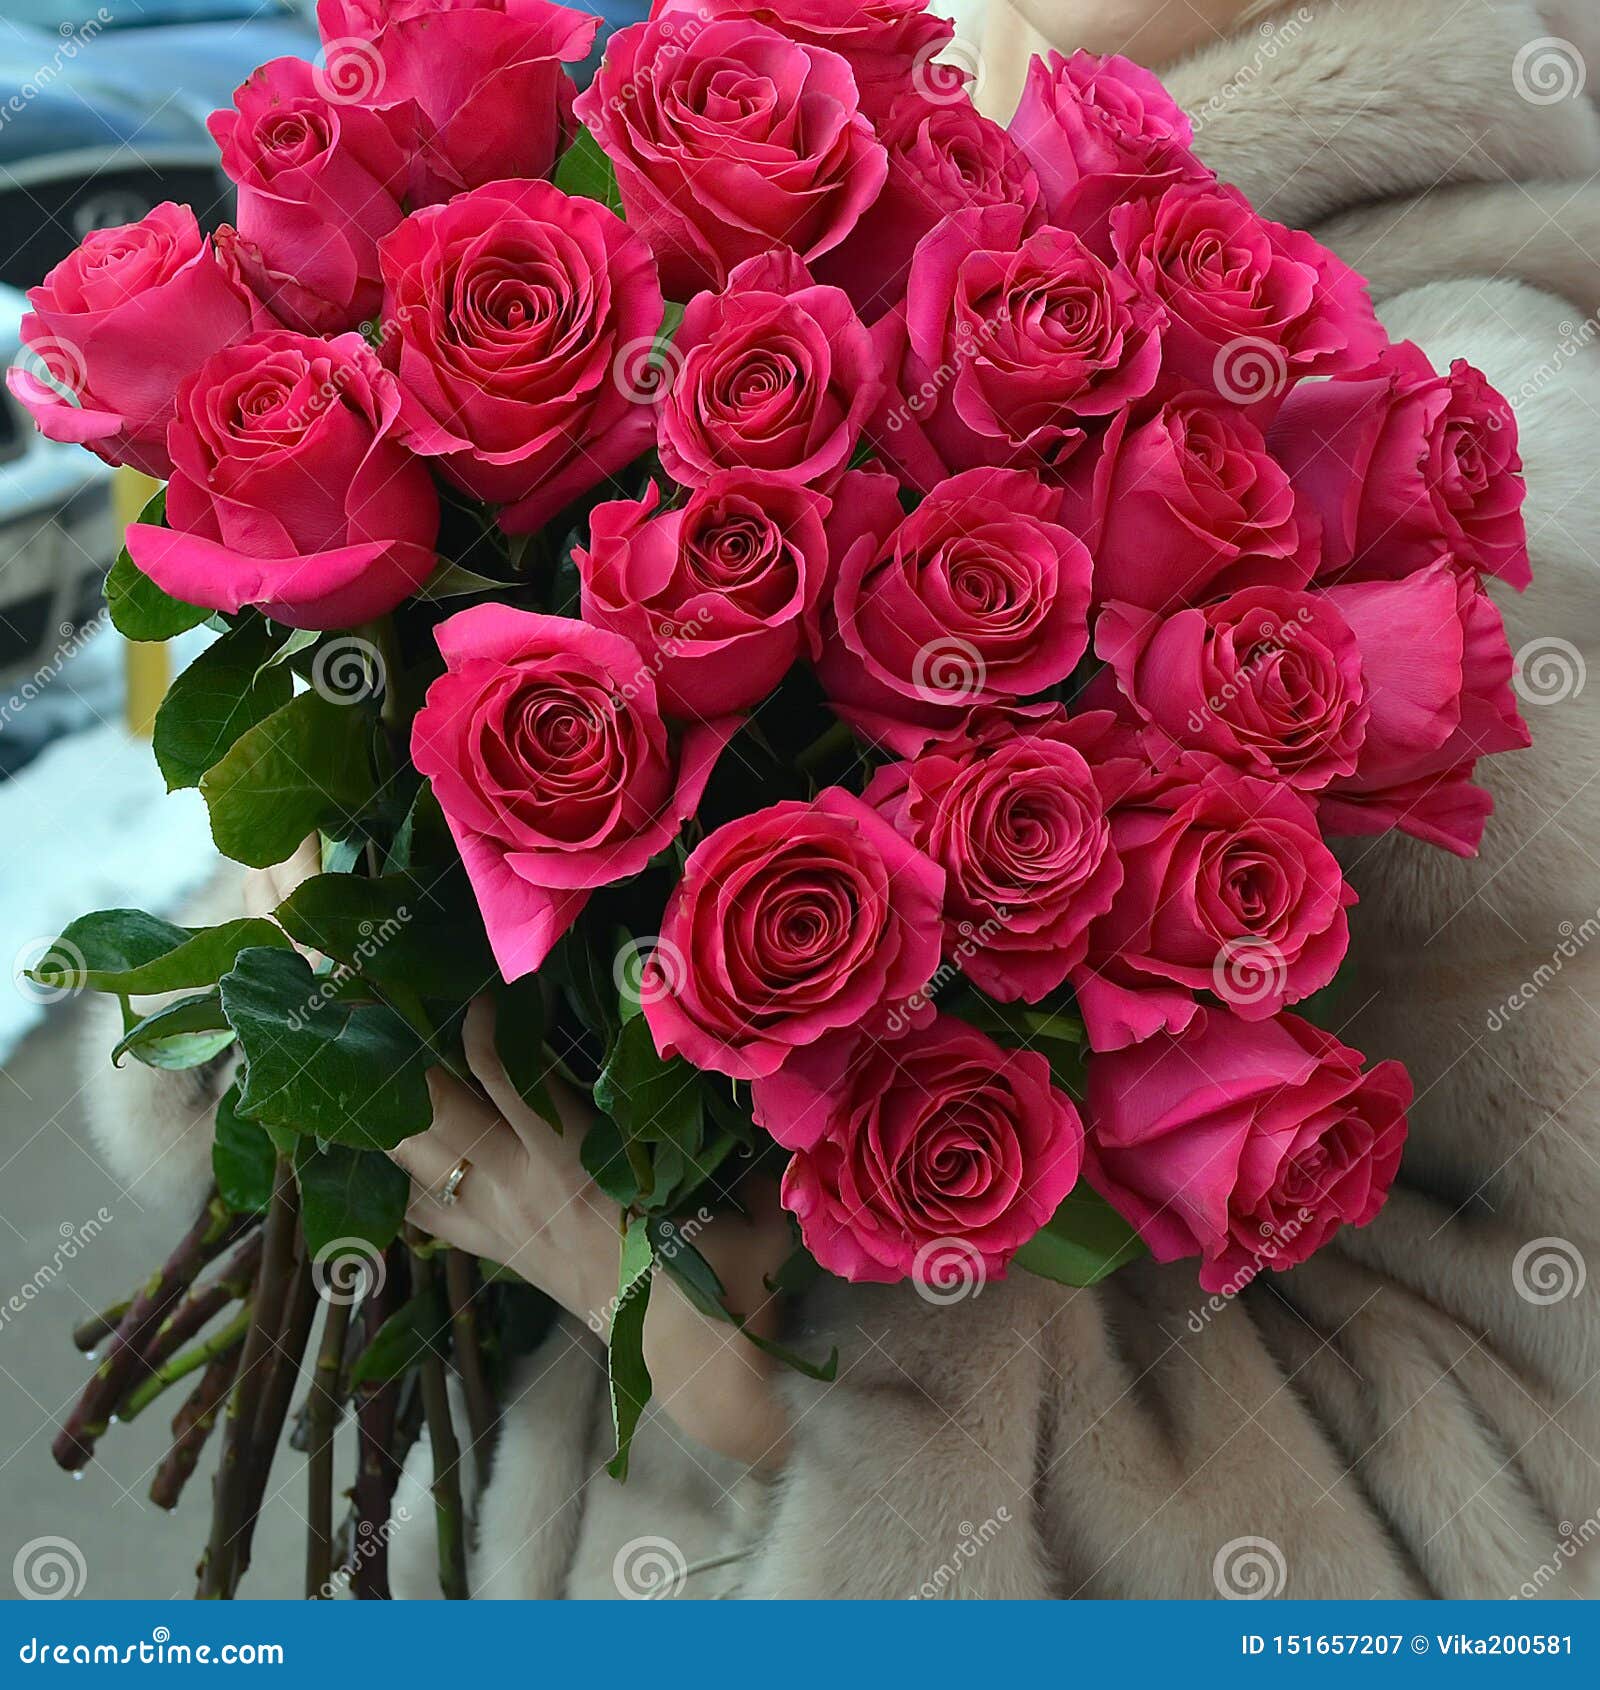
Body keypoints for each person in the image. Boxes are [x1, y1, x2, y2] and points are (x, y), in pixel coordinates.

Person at [91, 0, 1600, 1598]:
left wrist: (774, 1389)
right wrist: (365, 953)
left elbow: (1517, 1508)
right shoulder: (828, 141)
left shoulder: (1468, 410)